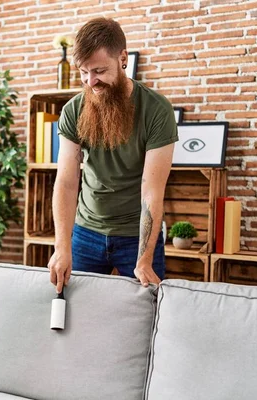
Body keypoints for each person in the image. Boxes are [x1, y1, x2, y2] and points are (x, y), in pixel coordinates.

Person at [47, 17, 178, 293]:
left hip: (136, 236)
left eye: (99, 71)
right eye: (83, 72)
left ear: (123, 59)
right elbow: (67, 182)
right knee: (75, 313)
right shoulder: (73, 109)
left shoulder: (156, 110)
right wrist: (62, 247)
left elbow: (151, 191)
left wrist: (143, 260)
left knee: (146, 314)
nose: (90, 81)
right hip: (85, 232)